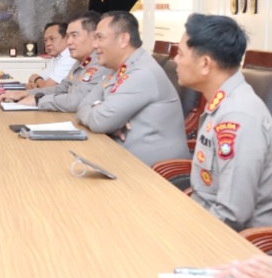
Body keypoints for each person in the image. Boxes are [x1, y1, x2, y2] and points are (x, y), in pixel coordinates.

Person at [175, 13, 272, 231]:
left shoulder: (237, 117)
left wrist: (182, 233)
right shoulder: (222, 103)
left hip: (236, 243)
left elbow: (231, 215)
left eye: (180, 53)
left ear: (205, 64)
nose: (175, 60)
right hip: (205, 222)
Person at [76, 11, 188, 166]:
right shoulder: (117, 69)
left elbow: (99, 121)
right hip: (123, 159)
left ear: (123, 39)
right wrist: (100, 110)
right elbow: (82, 105)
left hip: (153, 172)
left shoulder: (142, 72)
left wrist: (105, 120)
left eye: (100, 38)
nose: (94, 45)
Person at [0, 11, 109, 111]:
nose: (69, 42)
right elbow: (61, 89)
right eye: (67, 36)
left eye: (74, 36)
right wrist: (24, 93)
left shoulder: (101, 63)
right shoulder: (80, 62)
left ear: (94, 37)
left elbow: (77, 100)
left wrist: (38, 100)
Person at [26, 22, 76, 88]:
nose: (47, 44)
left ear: (66, 38)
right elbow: (39, 80)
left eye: (52, 39)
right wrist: (35, 82)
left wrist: (35, 78)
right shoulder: (56, 57)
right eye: (45, 41)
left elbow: (47, 87)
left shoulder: (70, 58)